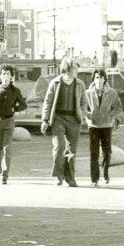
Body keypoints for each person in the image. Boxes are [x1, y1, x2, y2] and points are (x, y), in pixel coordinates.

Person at [40, 57, 86, 187]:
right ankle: (58, 176)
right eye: (74, 69)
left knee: (71, 150)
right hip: (58, 119)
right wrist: (45, 120)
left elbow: (84, 101)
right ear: (67, 69)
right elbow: (48, 102)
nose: (76, 71)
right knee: (59, 147)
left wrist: (82, 113)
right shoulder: (55, 82)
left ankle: (70, 178)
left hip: (74, 120)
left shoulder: (80, 84)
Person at [0, 64, 27, 185]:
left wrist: (15, 109)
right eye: (3, 74)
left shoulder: (15, 90)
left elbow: (24, 104)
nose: (6, 76)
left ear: (11, 76)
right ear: (0, 76)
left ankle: (5, 174)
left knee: (6, 148)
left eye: (8, 74)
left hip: (9, 121)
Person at [83, 69, 122, 186]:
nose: (98, 80)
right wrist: (88, 117)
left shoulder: (112, 93)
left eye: (101, 78)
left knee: (107, 151)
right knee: (93, 152)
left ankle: (105, 173)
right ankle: (94, 179)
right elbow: (83, 108)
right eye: (96, 78)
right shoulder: (87, 93)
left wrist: (110, 116)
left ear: (105, 79)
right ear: (93, 79)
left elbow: (118, 107)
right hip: (93, 126)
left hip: (106, 125)